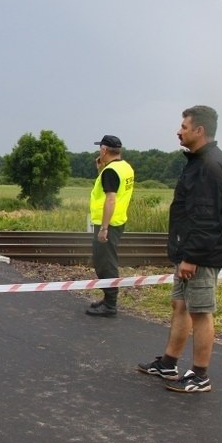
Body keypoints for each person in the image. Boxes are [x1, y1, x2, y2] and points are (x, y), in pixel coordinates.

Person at [138, 105, 222, 393]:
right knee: (181, 306)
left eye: (184, 126)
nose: (178, 131)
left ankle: (200, 375)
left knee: (201, 312)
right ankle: (168, 364)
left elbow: (205, 217)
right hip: (189, 251)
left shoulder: (209, 166)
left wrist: (191, 256)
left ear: (199, 130)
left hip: (200, 255)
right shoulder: (198, 162)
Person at [85, 135, 135, 317]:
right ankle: (108, 300)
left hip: (108, 224)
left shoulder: (111, 171)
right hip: (118, 220)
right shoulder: (125, 167)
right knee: (107, 261)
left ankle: (110, 304)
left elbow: (111, 199)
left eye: (101, 148)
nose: (100, 151)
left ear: (104, 150)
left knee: (105, 264)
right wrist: (101, 170)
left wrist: (104, 228)